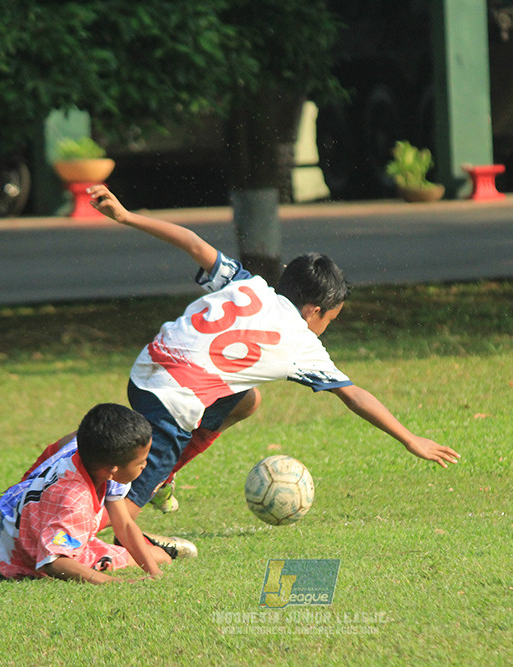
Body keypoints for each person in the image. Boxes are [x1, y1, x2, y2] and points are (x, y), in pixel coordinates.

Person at [87, 185, 461, 521]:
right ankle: (80, 536)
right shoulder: (302, 342)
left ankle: (161, 473)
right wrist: (410, 438)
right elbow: (355, 396)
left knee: (246, 400)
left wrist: (126, 216)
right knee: (127, 504)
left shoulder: (248, 283)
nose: (326, 327)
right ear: (314, 310)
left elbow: (194, 244)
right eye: (331, 318)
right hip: (174, 398)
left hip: (148, 366)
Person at [0, 403, 196, 584]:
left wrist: (154, 573)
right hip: (32, 550)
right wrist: (116, 584)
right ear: (113, 470)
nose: (145, 465)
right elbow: (53, 561)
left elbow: (124, 524)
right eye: (141, 461)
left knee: (159, 559)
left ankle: (4, 541)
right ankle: (4, 553)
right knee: (160, 556)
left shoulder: (94, 456)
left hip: (31, 518)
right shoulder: (73, 499)